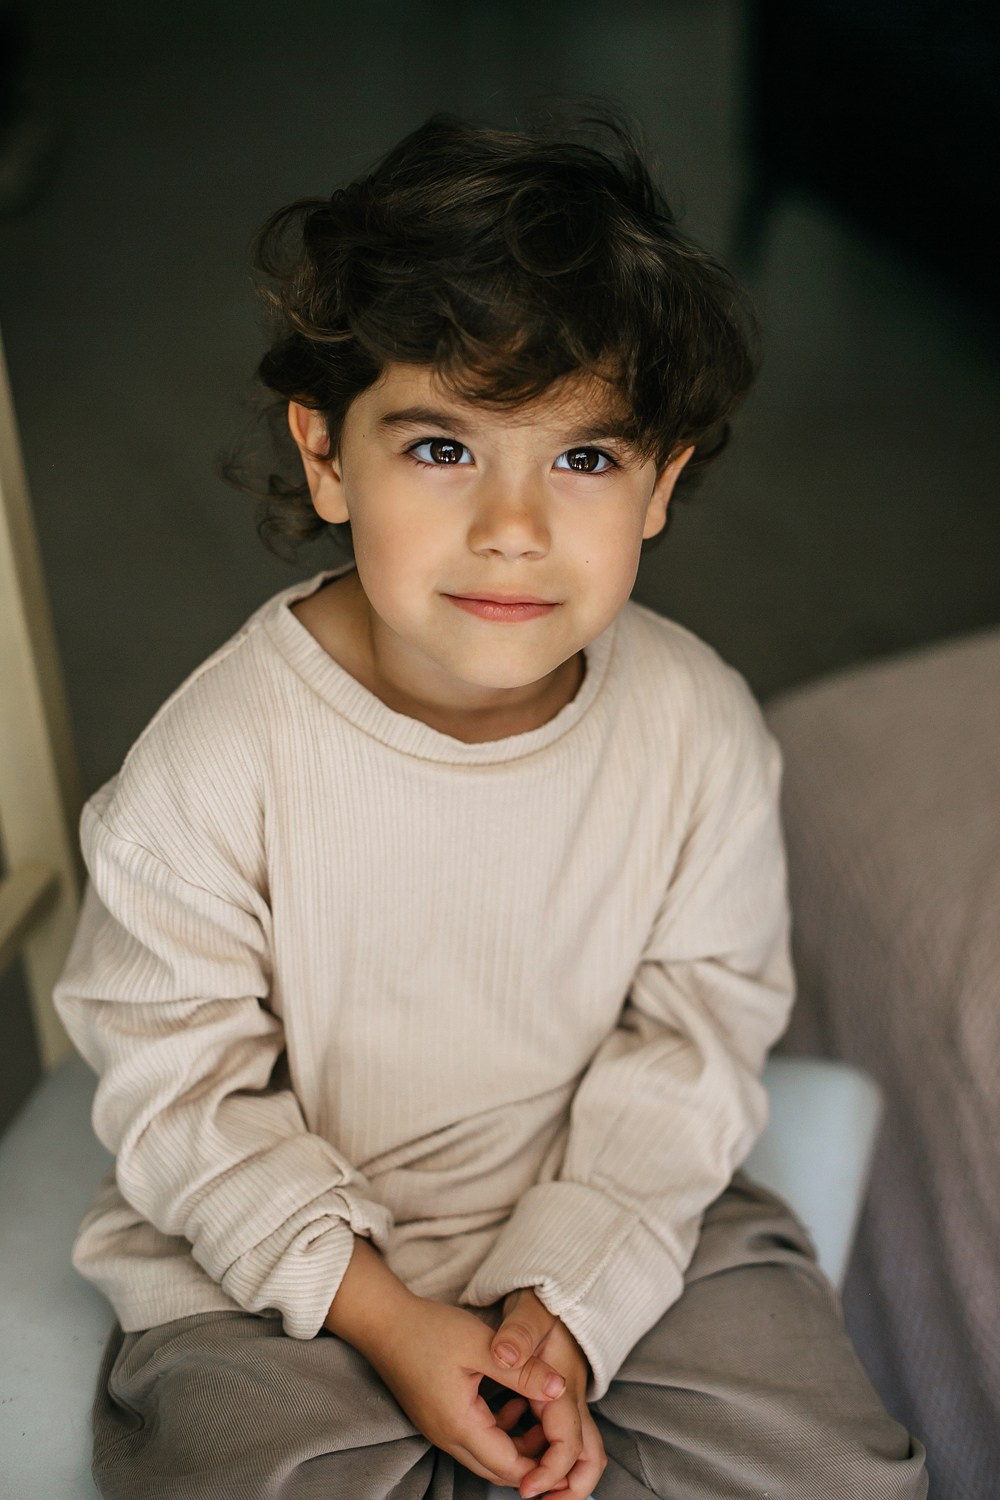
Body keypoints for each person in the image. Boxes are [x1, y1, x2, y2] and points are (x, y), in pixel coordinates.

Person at [53, 108, 928, 1499]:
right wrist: (394, 1320)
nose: (512, 526)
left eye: (583, 458)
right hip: (289, 1264)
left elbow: (698, 1031)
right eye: (443, 447)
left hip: (621, 1209)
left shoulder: (697, 727)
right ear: (328, 454)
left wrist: (567, 1298)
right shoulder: (211, 769)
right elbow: (180, 1097)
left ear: (663, 483)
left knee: (832, 1468)